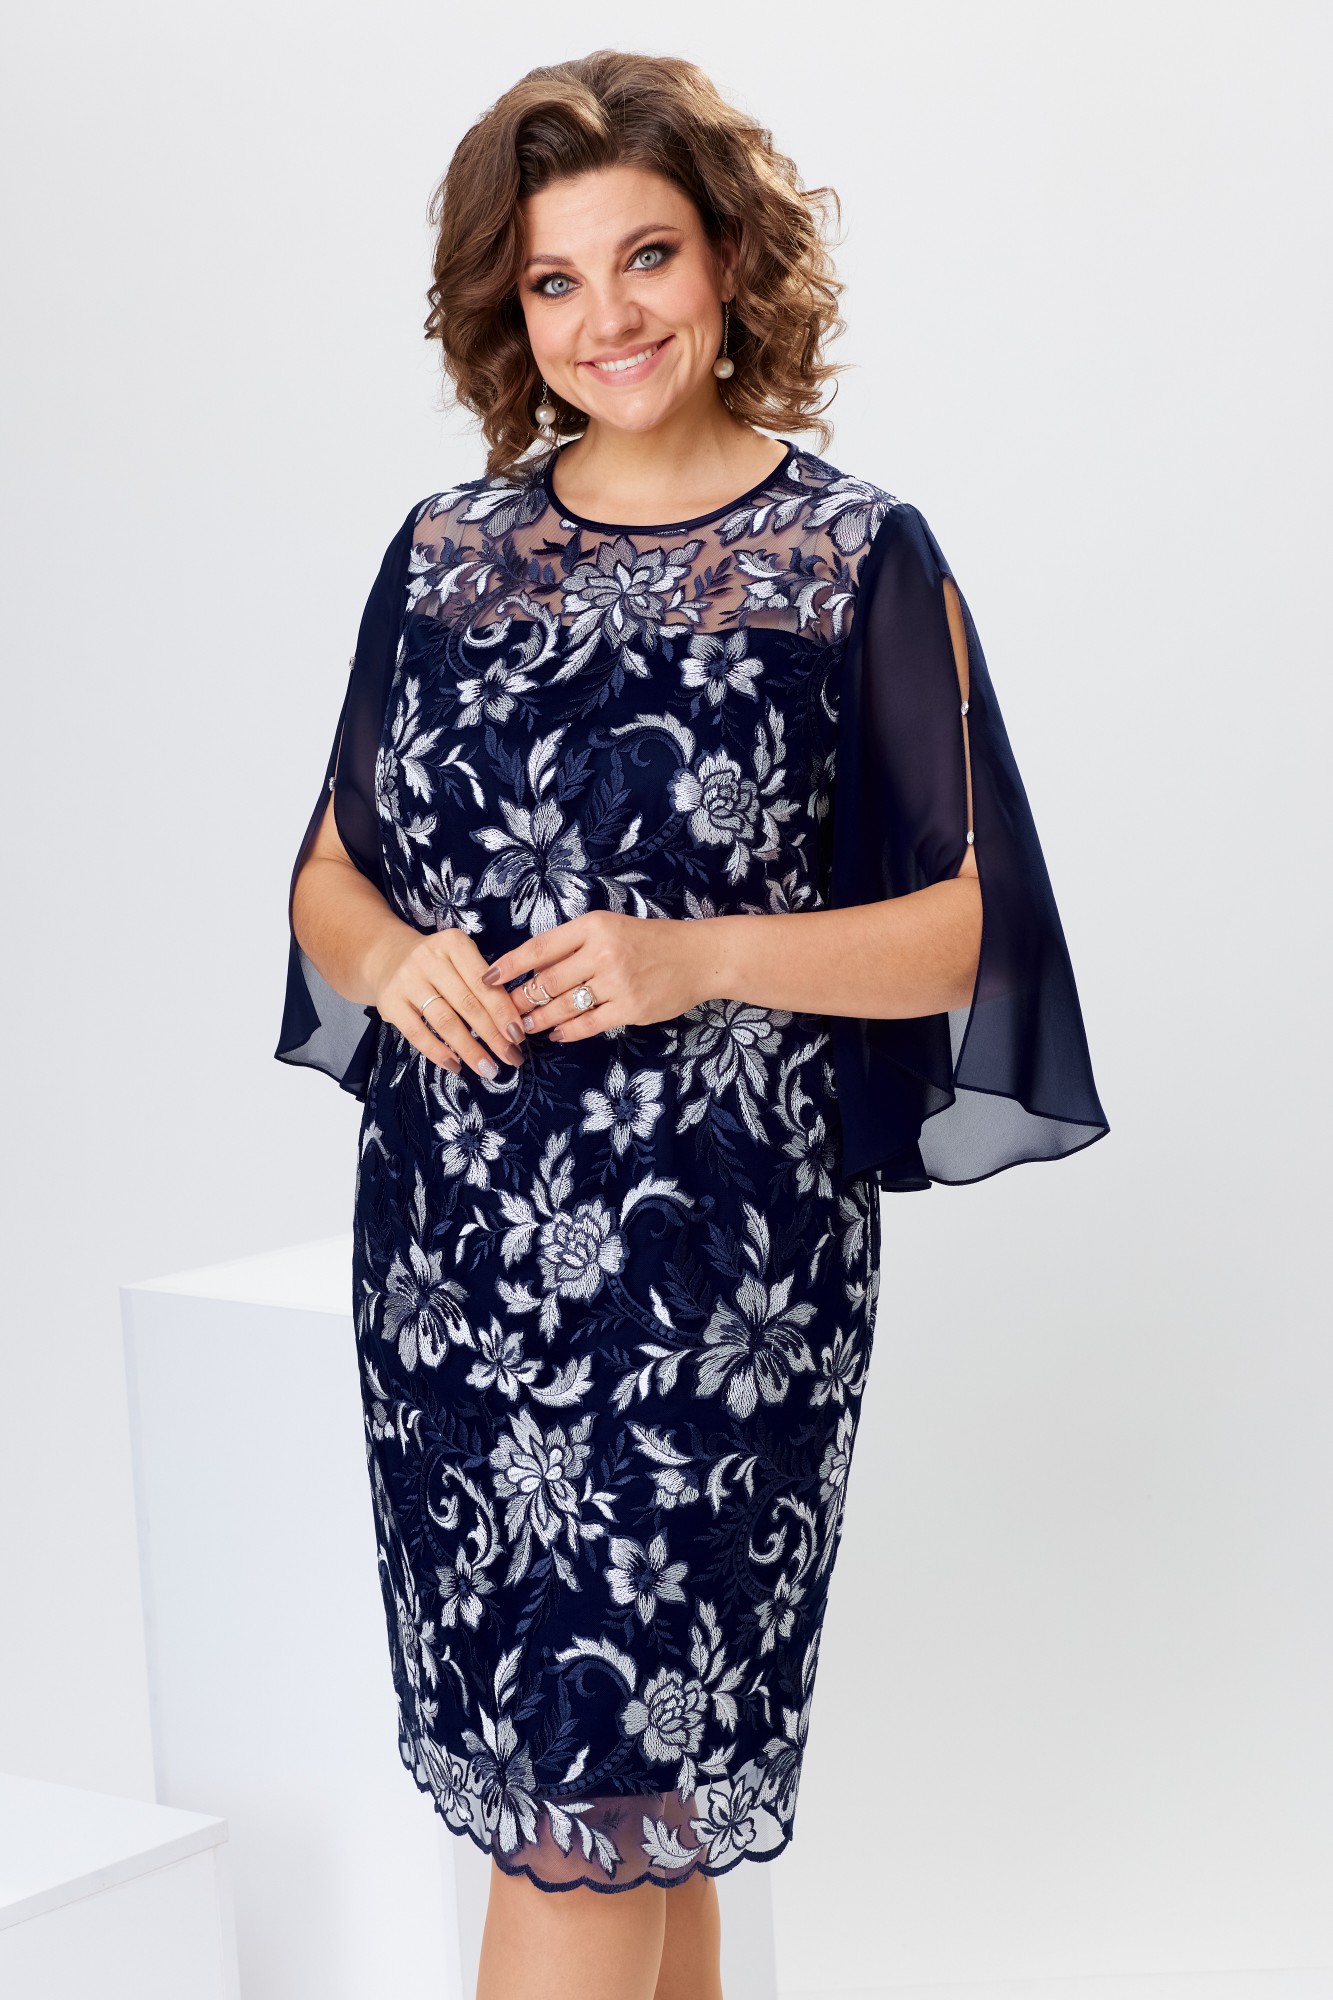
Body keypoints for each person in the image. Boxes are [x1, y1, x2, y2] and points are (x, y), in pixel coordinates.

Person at [275, 47, 1109, 2000]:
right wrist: (390, 959)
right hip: (456, 1276)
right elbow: (326, 879)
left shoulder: (852, 559)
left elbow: (974, 934)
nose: (607, 316)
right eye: (553, 279)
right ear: (510, 311)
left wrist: (702, 956)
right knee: (625, 1820)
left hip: (716, 1280)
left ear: (730, 258)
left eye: (644, 255)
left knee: (597, 1816)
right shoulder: (445, 555)